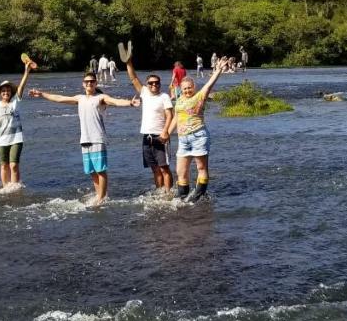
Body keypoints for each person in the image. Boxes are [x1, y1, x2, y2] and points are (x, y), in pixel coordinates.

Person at [29, 74, 138, 206]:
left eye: (92, 81)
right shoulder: (79, 98)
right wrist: (41, 94)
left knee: (100, 170)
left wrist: (129, 103)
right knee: (92, 171)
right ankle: (99, 195)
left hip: (98, 138)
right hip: (85, 139)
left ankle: (102, 198)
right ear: (83, 84)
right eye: (87, 82)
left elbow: (115, 101)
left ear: (96, 83)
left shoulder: (101, 97)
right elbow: (60, 98)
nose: (89, 83)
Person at [172, 60, 229, 202]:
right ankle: (181, 198)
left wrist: (219, 70)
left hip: (198, 136)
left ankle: (196, 198)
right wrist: (166, 132)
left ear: (194, 87)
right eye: (184, 88)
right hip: (183, 139)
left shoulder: (200, 96)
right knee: (180, 171)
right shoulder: (179, 100)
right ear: (181, 89)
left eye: (189, 88)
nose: (187, 91)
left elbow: (210, 84)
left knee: (201, 167)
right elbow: (177, 117)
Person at [125, 50, 175, 192]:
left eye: (157, 83)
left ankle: (168, 193)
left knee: (164, 168)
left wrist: (165, 132)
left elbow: (170, 115)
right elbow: (133, 78)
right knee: (154, 169)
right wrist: (128, 62)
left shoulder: (164, 96)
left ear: (160, 84)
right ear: (147, 85)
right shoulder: (144, 93)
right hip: (146, 138)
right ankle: (160, 191)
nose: (154, 85)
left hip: (160, 137)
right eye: (151, 83)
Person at [0, 57, 38, 188]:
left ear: (11, 92)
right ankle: (5, 188)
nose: (6, 92)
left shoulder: (16, 101)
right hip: (0, 139)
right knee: (4, 165)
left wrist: (26, 71)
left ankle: (14, 188)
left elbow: (22, 85)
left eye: (8, 90)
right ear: (0, 93)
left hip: (16, 137)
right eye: (3, 91)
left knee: (14, 164)